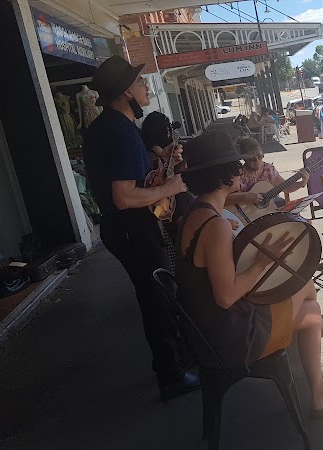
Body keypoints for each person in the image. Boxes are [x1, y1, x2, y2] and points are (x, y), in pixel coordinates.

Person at [178, 131, 323, 417]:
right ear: (225, 175)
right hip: (231, 337)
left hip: (206, 332)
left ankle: (320, 382)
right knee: (310, 305)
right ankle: (320, 394)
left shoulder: (195, 214)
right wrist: (261, 262)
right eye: (237, 165)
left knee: (309, 301)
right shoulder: (216, 225)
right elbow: (226, 296)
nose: (242, 169)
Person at [83, 55, 198, 401]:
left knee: (159, 296)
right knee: (157, 300)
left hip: (126, 230)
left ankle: (175, 362)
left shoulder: (113, 128)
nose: (146, 86)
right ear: (125, 93)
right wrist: (172, 188)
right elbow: (123, 195)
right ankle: (172, 375)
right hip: (133, 230)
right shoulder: (120, 132)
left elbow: (136, 180)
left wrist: (164, 166)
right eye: (140, 82)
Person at [226, 136, 309, 210]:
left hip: (266, 212)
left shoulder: (268, 169)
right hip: (245, 216)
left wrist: (302, 183)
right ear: (244, 158)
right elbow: (225, 199)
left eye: (260, 156)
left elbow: (287, 188)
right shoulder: (239, 174)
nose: (257, 162)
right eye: (252, 159)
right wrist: (246, 197)